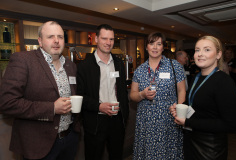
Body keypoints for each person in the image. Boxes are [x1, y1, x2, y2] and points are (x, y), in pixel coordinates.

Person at [0, 21, 81, 160]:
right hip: (38, 144)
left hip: (69, 138)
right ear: (40, 41)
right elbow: (7, 103)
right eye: (50, 36)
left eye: (60, 37)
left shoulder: (70, 65)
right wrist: (52, 108)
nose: (56, 41)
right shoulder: (23, 60)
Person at [170, 36, 236, 160]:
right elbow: (198, 103)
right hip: (190, 141)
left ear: (218, 54)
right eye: (197, 50)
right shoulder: (196, 77)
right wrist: (181, 108)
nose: (200, 54)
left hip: (209, 148)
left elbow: (231, 124)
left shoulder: (224, 81)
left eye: (207, 50)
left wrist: (188, 122)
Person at [76, 24, 129, 160]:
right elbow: (80, 96)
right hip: (95, 121)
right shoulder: (84, 66)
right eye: (104, 38)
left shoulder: (119, 64)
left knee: (116, 156)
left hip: (117, 121)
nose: (108, 43)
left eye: (111, 39)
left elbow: (122, 92)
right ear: (96, 39)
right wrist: (99, 106)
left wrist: (124, 116)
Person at [130, 32, 186, 159]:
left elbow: (182, 91)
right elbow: (132, 95)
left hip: (169, 121)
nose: (155, 47)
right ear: (146, 46)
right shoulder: (140, 70)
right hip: (146, 122)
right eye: (151, 43)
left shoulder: (174, 66)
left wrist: (179, 111)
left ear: (163, 47)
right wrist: (142, 94)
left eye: (158, 44)